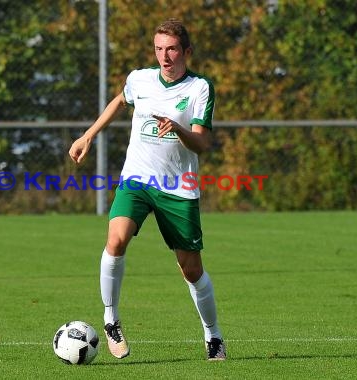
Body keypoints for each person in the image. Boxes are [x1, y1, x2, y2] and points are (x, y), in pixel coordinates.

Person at [68, 18, 225, 361]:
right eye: (158, 49)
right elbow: (118, 101)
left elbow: (202, 143)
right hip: (137, 178)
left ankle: (213, 336)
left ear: (186, 51)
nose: (164, 56)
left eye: (171, 49)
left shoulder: (199, 88)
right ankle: (111, 319)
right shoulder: (139, 79)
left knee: (191, 270)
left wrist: (178, 130)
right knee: (116, 240)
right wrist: (88, 135)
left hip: (178, 187)